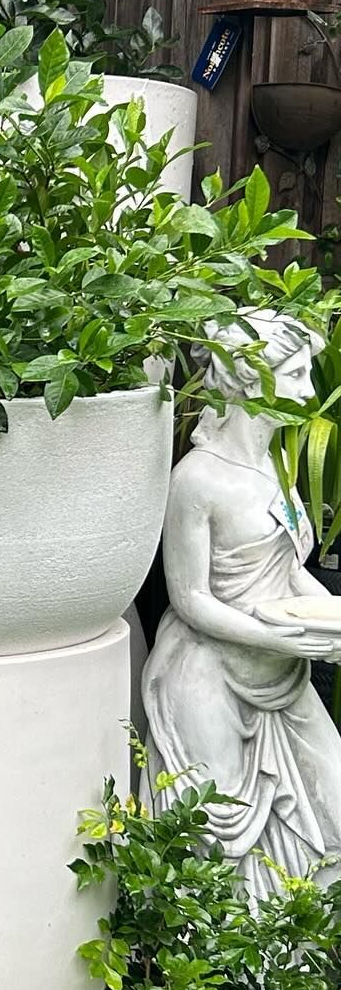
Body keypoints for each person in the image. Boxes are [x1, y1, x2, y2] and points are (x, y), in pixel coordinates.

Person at [143, 311, 341, 901]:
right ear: (251, 380)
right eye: (296, 375)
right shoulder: (197, 480)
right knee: (218, 829)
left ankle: (295, 947)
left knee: (333, 799)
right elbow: (190, 600)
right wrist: (281, 638)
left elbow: (289, 572)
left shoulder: (275, 468)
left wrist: (331, 618)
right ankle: (227, 955)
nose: (307, 393)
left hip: (279, 672)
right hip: (208, 675)